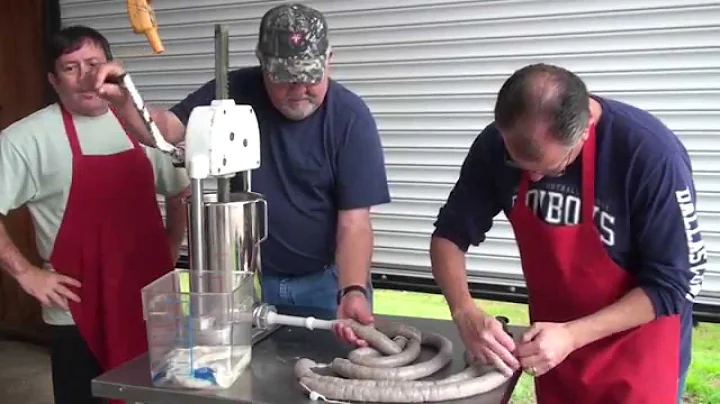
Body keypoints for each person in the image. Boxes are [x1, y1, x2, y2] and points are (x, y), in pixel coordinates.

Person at [91, 3, 391, 347]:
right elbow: (167, 130)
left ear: (329, 61)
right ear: (263, 66)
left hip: (327, 283)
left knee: (330, 379)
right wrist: (125, 99)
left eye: (309, 76)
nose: (298, 89)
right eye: (284, 79)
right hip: (249, 279)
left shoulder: (350, 118)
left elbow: (354, 223)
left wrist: (351, 290)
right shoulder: (232, 91)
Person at [430, 63, 705, 403]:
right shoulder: (495, 147)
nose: (536, 180)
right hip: (555, 354)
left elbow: (675, 283)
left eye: (552, 168)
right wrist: (464, 311)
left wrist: (573, 335)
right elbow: (449, 235)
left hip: (638, 359)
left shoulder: (649, 155)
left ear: (586, 127)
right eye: (522, 167)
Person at [0, 26, 189, 404]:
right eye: (71, 68)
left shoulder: (143, 126)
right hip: (77, 314)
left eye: (94, 63)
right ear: (53, 80)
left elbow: (179, 188)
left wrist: (173, 243)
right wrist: (25, 272)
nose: (86, 77)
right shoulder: (25, 139)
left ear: (111, 68)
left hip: (151, 305)